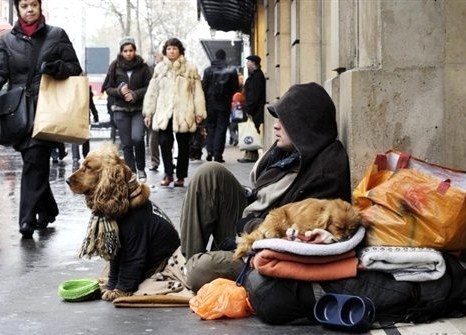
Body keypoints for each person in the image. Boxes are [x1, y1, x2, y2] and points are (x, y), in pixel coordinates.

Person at [180, 82, 352, 292]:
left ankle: (193, 269)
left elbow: (297, 238)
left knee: (202, 269)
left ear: (304, 125)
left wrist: (250, 225)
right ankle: (187, 262)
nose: (276, 125)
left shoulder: (326, 170)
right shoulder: (287, 153)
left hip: (268, 250)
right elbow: (260, 194)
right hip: (252, 222)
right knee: (210, 173)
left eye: (285, 120)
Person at [0, 0, 82, 238]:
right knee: (33, 162)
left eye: (33, 4)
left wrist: (57, 67)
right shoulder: (7, 41)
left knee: (35, 160)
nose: (29, 9)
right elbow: (2, 73)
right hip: (19, 112)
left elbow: (74, 68)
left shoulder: (56, 35)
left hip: (47, 110)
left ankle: (26, 220)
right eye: (24, 5)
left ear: (39, 6)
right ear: (18, 9)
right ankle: (48, 210)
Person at [143, 38, 206, 188]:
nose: (171, 51)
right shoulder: (159, 68)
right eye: (169, 49)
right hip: (164, 110)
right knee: (164, 142)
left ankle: (181, 176)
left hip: (184, 111)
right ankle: (168, 173)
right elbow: (152, 92)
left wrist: (199, 112)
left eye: (174, 49)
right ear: (165, 51)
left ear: (180, 51)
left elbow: (197, 91)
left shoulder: (190, 68)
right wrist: (149, 113)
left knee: (184, 145)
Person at [104, 36, 152, 182]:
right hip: (120, 110)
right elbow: (107, 88)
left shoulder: (143, 67)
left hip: (138, 109)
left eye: (131, 50)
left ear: (135, 50)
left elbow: (150, 87)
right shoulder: (114, 66)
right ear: (121, 51)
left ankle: (141, 168)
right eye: (125, 51)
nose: (128, 53)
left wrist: (135, 95)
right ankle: (131, 173)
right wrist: (119, 91)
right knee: (126, 144)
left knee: (137, 138)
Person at [202, 49, 239, 162]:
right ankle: (218, 154)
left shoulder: (208, 71)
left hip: (210, 104)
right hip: (224, 104)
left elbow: (204, 87)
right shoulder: (232, 71)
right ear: (224, 57)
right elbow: (235, 88)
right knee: (221, 129)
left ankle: (209, 151)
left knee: (211, 128)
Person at [237, 55, 266, 163]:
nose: (247, 63)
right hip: (254, 109)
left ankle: (251, 156)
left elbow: (254, 95)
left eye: (248, 61)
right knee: (252, 131)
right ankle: (250, 155)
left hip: (254, 110)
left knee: (252, 131)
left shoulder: (257, 76)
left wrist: (249, 109)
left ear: (253, 63)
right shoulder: (255, 75)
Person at [71, 86, 99, 170]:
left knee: (75, 137)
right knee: (85, 137)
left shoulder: (72, 87)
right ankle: (85, 155)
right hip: (84, 116)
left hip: (74, 115)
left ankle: (76, 158)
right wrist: (95, 115)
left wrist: (95, 114)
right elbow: (91, 103)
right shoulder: (85, 88)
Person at [147, 51, 163, 172]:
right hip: (155, 108)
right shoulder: (150, 70)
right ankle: (155, 161)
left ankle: (168, 160)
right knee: (153, 137)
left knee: (167, 138)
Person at [229, 72, 245, 146]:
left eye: (242, 78)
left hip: (235, 112)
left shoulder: (233, 89)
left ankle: (235, 139)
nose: (241, 80)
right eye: (240, 79)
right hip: (240, 112)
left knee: (233, 128)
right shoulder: (242, 89)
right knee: (236, 128)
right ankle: (235, 139)